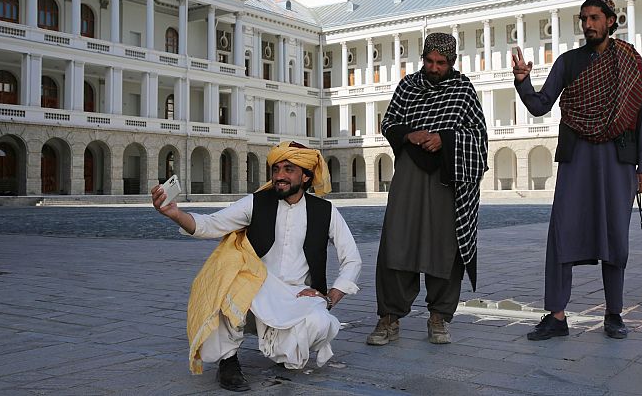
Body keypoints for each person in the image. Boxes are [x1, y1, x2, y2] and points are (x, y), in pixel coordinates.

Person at [152, 141, 362, 392]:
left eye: (288, 170)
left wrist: (330, 297)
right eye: (276, 169)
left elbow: (352, 259)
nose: (279, 176)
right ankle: (228, 361)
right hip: (255, 289)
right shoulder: (256, 202)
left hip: (296, 295)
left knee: (320, 323)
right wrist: (175, 214)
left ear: (306, 176)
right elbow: (210, 224)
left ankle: (284, 352)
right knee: (224, 285)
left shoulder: (325, 211)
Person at [512, 0, 642, 341]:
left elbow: (640, 118)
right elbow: (541, 105)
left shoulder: (629, 61)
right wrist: (522, 80)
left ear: (610, 21)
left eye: (594, 18)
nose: (588, 25)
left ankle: (614, 314)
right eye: (584, 19)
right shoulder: (568, 62)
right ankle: (557, 315)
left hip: (618, 159)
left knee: (615, 236)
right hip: (577, 158)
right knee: (563, 232)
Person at [367, 32, 489, 346]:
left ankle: (438, 318)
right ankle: (389, 317)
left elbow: (478, 136)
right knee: (398, 242)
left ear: (452, 63)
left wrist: (445, 139)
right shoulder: (408, 86)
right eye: (430, 61)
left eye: (441, 63)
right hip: (409, 174)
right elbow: (390, 122)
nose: (434, 68)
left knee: (444, 247)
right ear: (423, 59)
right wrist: (411, 135)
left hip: (448, 179)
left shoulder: (463, 91)